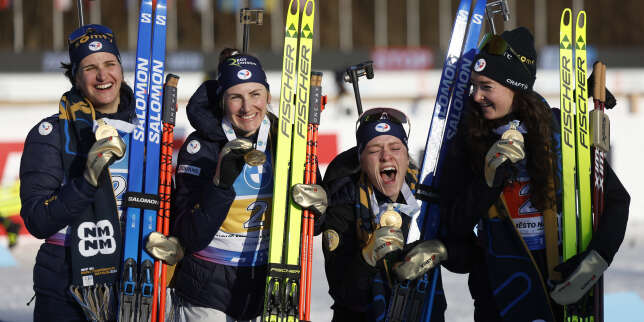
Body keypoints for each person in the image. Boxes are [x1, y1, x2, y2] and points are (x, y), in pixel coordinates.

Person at [440, 27, 630, 321]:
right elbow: (453, 226)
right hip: (500, 297)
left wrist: (596, 258)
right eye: (474, 86)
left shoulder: (559, 131)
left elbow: (616, 199)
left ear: (514, 86)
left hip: (562, 287)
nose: (476, 96)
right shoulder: (467, 139)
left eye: (486, 86)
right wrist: (487, 181)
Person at [169, 49, 326, 321]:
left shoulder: (286, 143)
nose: (247, 107)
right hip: (207, 291)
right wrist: (219, 184)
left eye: (255, 94)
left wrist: (320, 209)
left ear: (267, 96)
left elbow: (312, 228)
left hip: (269, 288)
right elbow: (189, 236)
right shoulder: (200, 148)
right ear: (222, 101)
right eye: (235, 97)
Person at [20, 24, 134, 321]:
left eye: (110, 64)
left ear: (121, 68)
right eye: (89, 67)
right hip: (65, 282)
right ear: (75, 77)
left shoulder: (147, 131)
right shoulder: (51, 133)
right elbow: (37, 220)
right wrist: (86, 182)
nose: (102, 76)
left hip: (134, 278)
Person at [321, 107, 460, 321]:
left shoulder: (428, 194)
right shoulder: (344, 203)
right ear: (361, 160)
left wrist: (443, 249)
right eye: (374, 149)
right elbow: (345, 295)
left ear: (406, 155)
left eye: (395, 147)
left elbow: (470, 256)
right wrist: (367, 258)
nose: (386, 156)